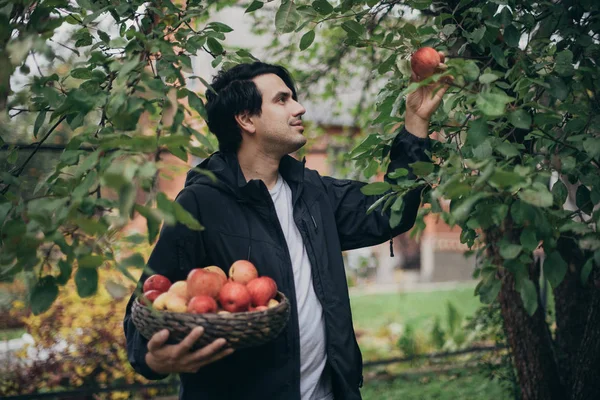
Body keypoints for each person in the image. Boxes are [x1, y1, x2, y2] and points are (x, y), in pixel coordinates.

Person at [123, 59, 448, 400]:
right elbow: (149, 299)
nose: (300, 108)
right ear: (246, 119)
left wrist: (416, 122)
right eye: (282, 99)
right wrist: (152, 359)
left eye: (293, 97)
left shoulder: (313, 192)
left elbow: (391, 211)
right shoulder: (200, 204)